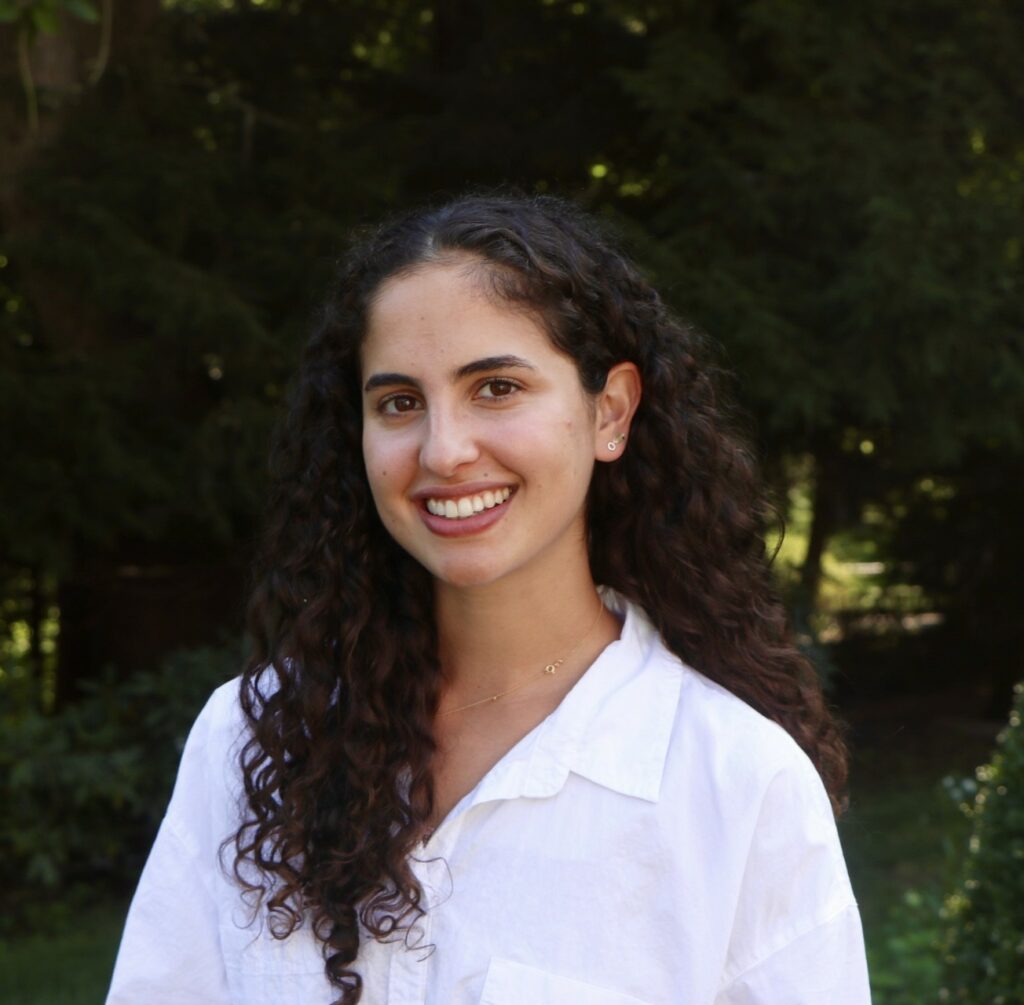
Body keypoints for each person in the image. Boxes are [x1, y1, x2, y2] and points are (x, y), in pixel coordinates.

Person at [106, 192, 871, 1004]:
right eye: (399, 403)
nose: (444, 449)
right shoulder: (254, 734)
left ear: (610, 411)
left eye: (496, 388)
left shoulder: (738, 785)